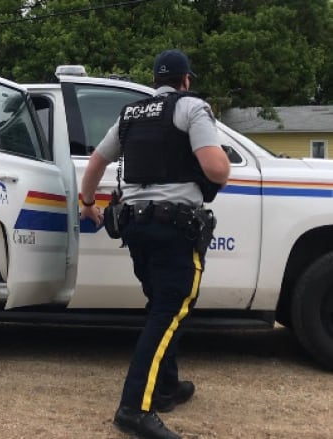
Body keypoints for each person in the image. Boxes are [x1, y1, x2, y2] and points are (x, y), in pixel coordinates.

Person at [79, 49, 230, 439]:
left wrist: (88, 202)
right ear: (186, 80)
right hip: (173, 228)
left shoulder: (131, 114)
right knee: (170, 311)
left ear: (155, 81)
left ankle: (166, 387)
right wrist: (219, 160)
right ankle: (133, 409)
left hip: (136, 228)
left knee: (161, 304)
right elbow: (216, 169)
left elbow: (96, 162)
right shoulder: (193, 108)